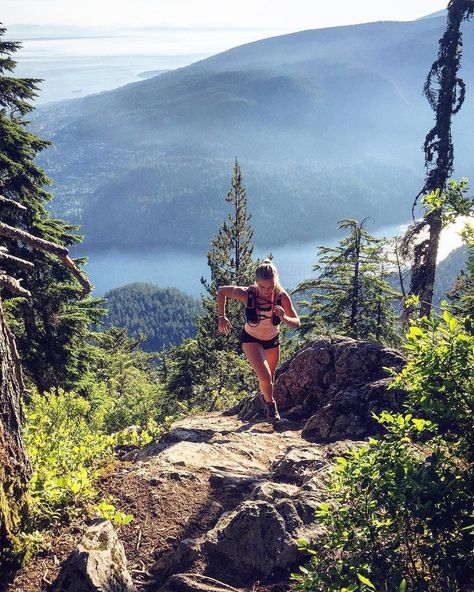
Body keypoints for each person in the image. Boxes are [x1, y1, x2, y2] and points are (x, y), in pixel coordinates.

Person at [217, 259, 301, 422]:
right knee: (264, 376)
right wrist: (222, 317)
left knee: (270, 378)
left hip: (272, 339)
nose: (266, 290)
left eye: (270, 287)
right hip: (251, 338)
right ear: (256, 282)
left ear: (275, 282)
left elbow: (297, 323)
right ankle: (271, 405)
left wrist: (283, 317)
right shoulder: (247, 293)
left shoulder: (281, 296)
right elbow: (222, 291)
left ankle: (264, 398)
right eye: (262, 286)